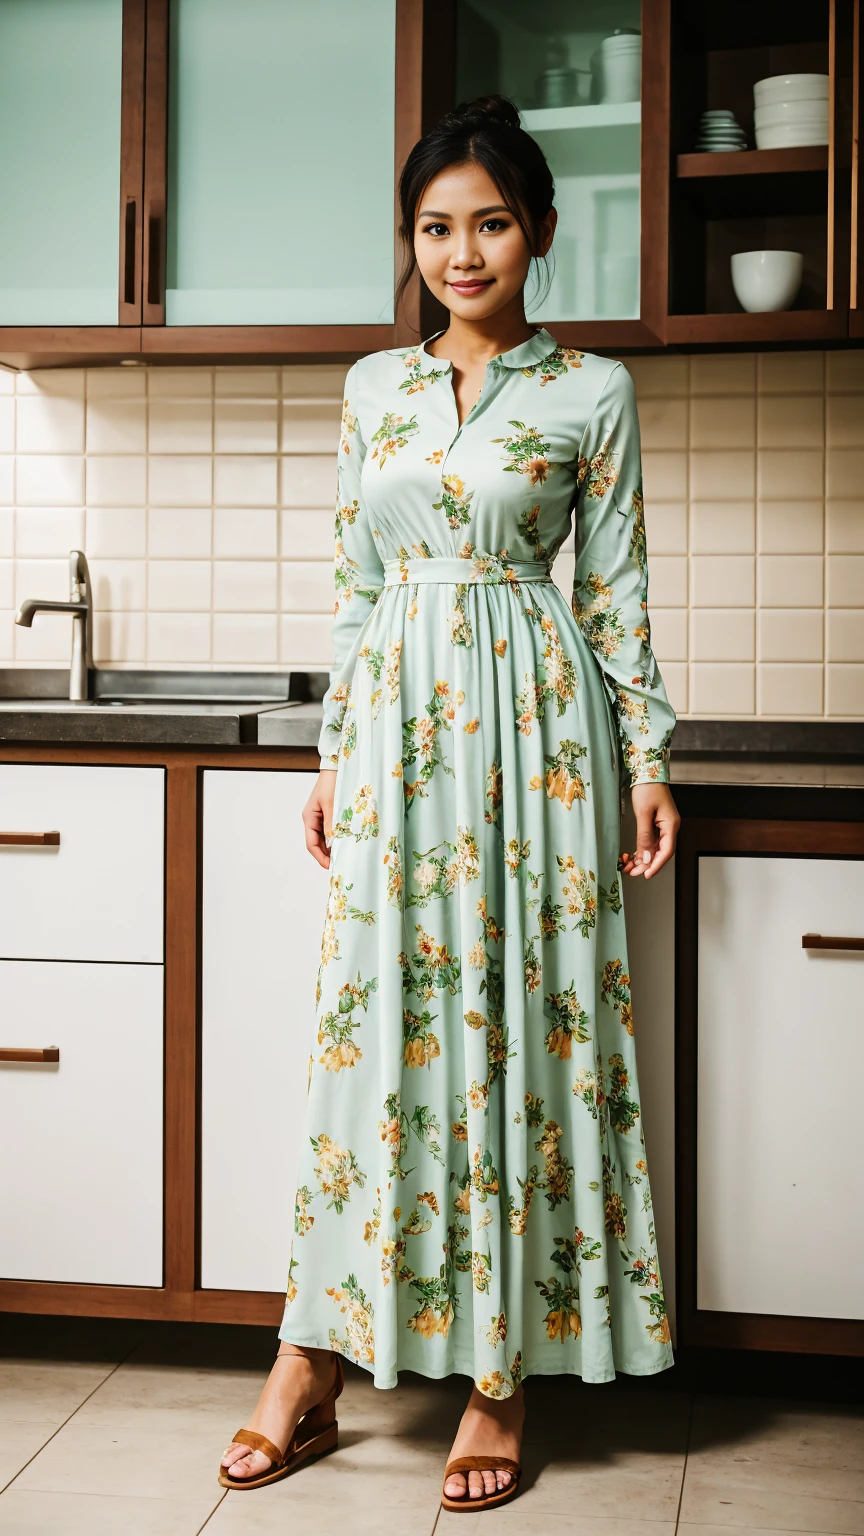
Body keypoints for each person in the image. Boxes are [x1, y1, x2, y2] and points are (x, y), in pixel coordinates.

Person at [219, 93, 681, 1514]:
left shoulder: (590, 393)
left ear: (539, 230)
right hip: (400, 739)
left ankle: (502, 1374)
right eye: (436, 226)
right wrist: (331, 751)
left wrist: (648, 754)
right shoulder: (376, 389)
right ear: (411, 242)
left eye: (489, 221)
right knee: (373, 1039)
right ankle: (313, 1355)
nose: (462, 250)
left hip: (543, 738)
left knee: (528, 1032)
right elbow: (355, 590)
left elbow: (613, 592)